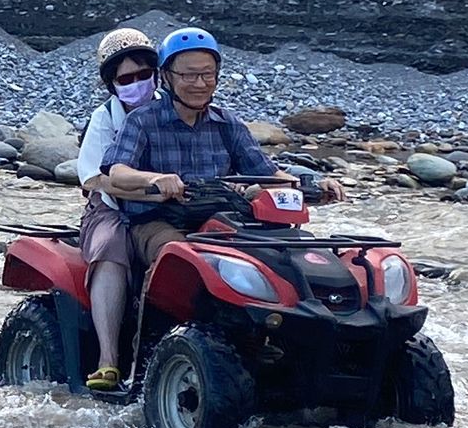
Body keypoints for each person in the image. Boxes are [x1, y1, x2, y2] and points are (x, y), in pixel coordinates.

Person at [105, 27, 344, 269]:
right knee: (181, 259)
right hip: (155, 220)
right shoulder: (141, 120)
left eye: (207, 74)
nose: (200, 83)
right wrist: (155, 179)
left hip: (219, 217)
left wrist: (314, 185)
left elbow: (269, 175)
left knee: (277, 258)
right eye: (189, 75)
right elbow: (117, 172)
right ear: (166, 77)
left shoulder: (227, 124)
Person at [75, 28, 161, 392]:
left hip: (174, 205)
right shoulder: (104, 120)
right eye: (126, 79)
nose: (136, 84)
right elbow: (94, 178)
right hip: (109, 208)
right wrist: (148, 189)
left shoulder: (174, 110)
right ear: (112, 84)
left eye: (144, 74)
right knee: (111, 246)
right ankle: (108, 359)